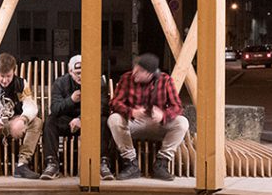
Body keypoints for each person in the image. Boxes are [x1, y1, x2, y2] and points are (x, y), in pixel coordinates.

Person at [106, 52, 188, 181]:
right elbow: (114, 103)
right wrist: (131, 111)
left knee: (182, 122)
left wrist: (163, 115)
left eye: (140, 71)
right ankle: (130, 163)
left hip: (157, 124)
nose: (134, 73)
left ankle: (161, 163)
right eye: (135, 68)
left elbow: (177, 106)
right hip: (133, 123)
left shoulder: (165, 80)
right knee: (114, 119)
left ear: (150, 74)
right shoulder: (127, 78)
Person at [0, 52, 42, 179]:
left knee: (37, 122)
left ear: (14, 71)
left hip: (14, 123)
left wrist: (22, 120)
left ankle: (22, 165)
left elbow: (30, 105)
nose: (5, 80)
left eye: (8, 76)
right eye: (1, 76)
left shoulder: (21, 84)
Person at [40, 54, 91, 180]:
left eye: (84, 72)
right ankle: (52, 163)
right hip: (66, 121)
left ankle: (102, 163)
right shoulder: (60, 82)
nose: (81, 76)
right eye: (78, 73)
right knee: (50, 121)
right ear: (70, 72)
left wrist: (81, 119)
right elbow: (55, 108)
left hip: (89, 120)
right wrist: (71, 100)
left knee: (103, 120)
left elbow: (102, 106)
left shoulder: (96, 81)